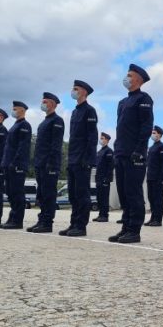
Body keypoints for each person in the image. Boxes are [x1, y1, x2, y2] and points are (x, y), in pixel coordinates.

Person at [109, 64, 154, 244]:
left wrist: (139, 150)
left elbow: (146, 126)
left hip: (134, 154)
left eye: (129, 75)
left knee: (133, 192)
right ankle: (126, 226)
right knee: (123, 192)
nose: (126, 78)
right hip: (120, 152)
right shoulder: (122, 102)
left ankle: (134, 230)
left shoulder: (144, 99)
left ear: (138, 79)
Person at [60, 80, 98, 237]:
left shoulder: (89, 111)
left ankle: (81, 226)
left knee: (82, 194)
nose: (73, 91)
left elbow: (92, 137)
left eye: (76, 89)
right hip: (73, 159)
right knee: (73, 194)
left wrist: (87, 159)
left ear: (84, 92)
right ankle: (73, 223)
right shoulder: (75, 112)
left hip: (82, 160)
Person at [28, 92, 64, 233]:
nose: (43, 103)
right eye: (42, 101)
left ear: (53, 104)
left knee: (49, 194)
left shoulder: (57, 121)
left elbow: (56, 144)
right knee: (41, 194)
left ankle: (47, 222)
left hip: (50, 164)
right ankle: (42, 219)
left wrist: (51, 162)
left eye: (45, 101)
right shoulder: (44, 122)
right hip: (40, 163)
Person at [0, 101, 32, 230]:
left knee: (17, 193)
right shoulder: (15, 125)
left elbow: (22, 147)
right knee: (10, 192)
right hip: (9, 164)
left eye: (15, 109)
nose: (13, 111)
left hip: (17, 165)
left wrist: (15, 162)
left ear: (22, 110)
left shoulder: (24, 125)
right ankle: (12, 217)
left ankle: (17, 220)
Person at [144, 125, 163, 227]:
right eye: (152, 133)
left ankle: (158, 220)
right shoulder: (151, 147)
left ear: (160, 134)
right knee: (151, 198)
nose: (152, 134)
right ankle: (153, 218)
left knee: (158, 199)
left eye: (154, 133)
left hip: (158, 178)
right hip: (150, 177)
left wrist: (161, 178)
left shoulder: (162, 147)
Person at [93, 132, 114, 223]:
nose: (100, 140)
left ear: (107, 140)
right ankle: (100, 214)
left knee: (104, 198)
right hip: (98, 178)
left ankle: (105, 215)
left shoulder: (109, 151)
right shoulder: (99, 151)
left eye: (102, 138)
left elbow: (110, 166)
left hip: (105, 178)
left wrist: (107, 178)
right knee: (99, 197)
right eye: (100, 138)